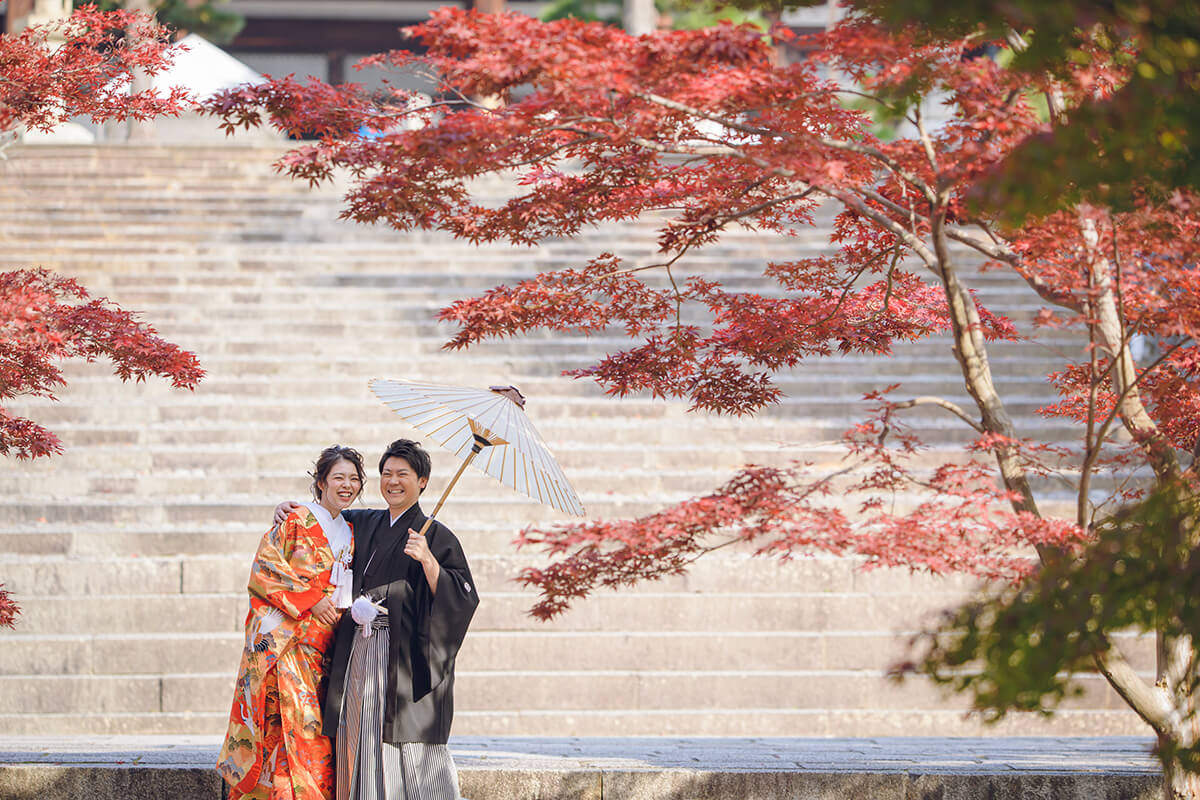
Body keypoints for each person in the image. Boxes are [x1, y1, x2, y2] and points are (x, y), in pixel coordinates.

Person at [273, 438, 478, 800]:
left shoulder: (438, 537)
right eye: (386, 473)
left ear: (423, 481)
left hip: (404, 660)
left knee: (408, 747)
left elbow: (462, 597)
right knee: (358, 733)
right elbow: (324, 519)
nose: (393, 481)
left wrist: (429, 561)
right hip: (359, 653)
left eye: (403, 474)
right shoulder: (364, 523)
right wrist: (290, 511)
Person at [218, 445, 366, 800]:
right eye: (338, 478)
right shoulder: (297, 519)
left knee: (316, 735)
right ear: (320, 482)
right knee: (284, 731)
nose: (346, 485)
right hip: (289, 647)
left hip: (327, 650)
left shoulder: (352, 528)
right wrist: (312, 601)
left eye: (354, 479)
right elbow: (264, 570)